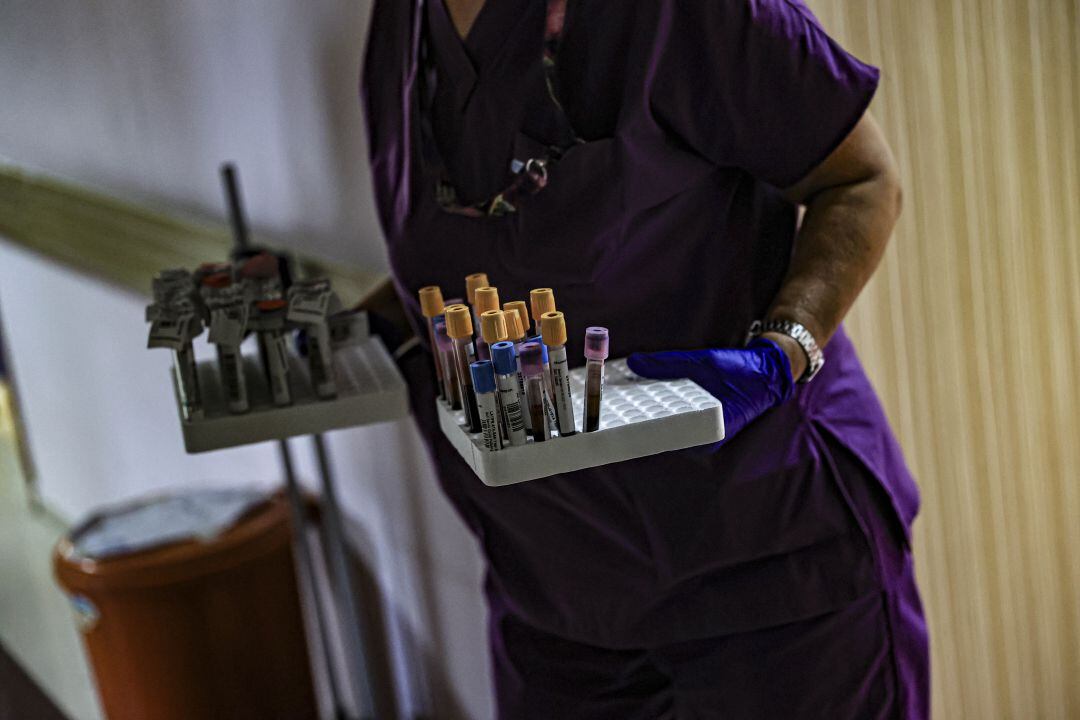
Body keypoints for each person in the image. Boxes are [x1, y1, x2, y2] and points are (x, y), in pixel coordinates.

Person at [362, 1, 929, 717]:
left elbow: (861, 180)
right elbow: (487, 240)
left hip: (769, 575)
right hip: (554, 591)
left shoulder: (676, 15)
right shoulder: (401, 25)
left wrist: (786, 348)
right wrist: (354, 332)